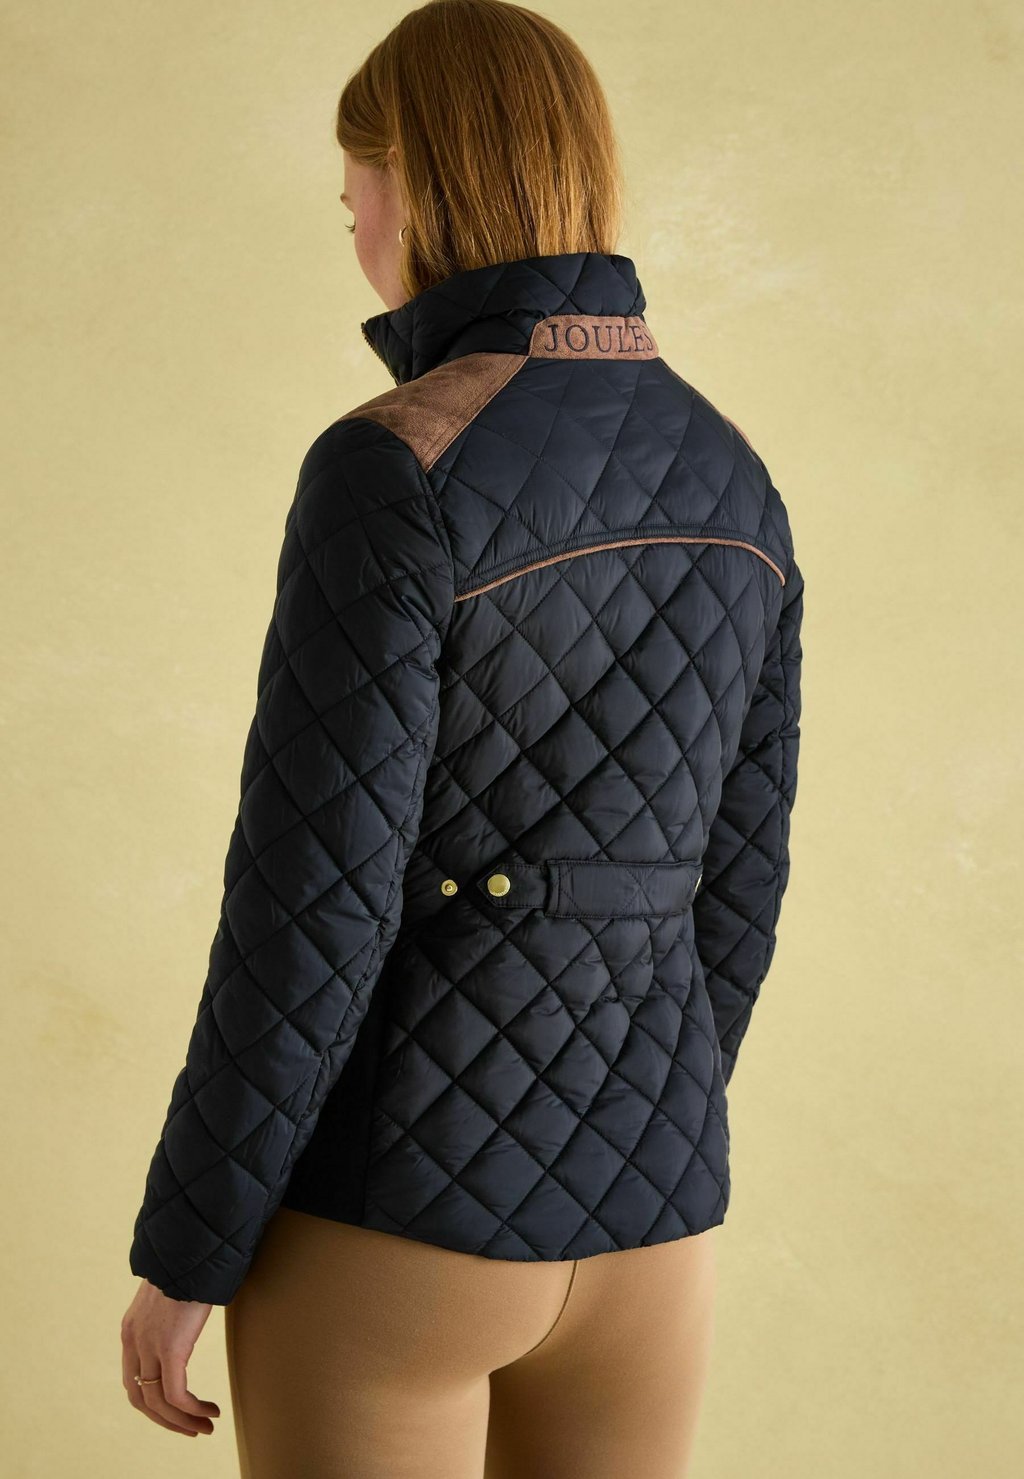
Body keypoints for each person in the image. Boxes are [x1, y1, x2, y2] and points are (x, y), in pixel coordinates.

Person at [120, 2, 804, 1475]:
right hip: (653, 1230)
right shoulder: (736, 472)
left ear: (419, 183)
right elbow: (739, 886)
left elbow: (313, 901)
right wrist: (634, 1120)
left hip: (396, 1226)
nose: (353, 225)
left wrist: (189, 1246)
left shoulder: (393, 463)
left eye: (354, 191)